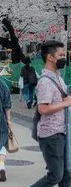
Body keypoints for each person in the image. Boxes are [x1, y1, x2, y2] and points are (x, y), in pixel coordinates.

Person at [31, 40, 71, 186]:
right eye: (60, 55)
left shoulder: (58, 77)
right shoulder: (45, 82)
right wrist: (66, 103)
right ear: (50, 57)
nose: (64, 57)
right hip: (51, 134)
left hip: (62, 131)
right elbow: (43, 109)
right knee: (55, 175)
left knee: (67, 174)